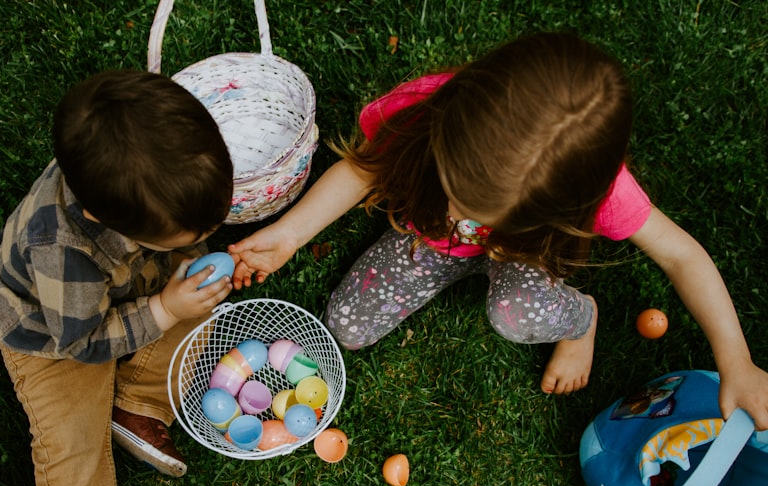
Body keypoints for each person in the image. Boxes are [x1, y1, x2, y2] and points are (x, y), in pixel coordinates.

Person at [228, 32, 768, 430]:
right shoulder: (427, 107)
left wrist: (736, 361)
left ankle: (581, 320)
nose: (462, 207)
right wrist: (292, 233)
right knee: (344, 327)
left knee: (514, 314)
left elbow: (682, 257)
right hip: (427, 240)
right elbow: (363, 169)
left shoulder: (603, 190)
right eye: (453, 181)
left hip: (524, 260)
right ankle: (453, 262)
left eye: (485, 207)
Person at [0, 70, 233, 486]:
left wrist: (192, 270)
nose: (206, 237)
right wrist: (167, 306)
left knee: (209, 308)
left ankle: (136, 403)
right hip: (53, 336)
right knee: (70, 444)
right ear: (103, 214)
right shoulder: (62, 251)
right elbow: (85, 343)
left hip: (127, 290)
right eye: (190, 233)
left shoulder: (143, 179)